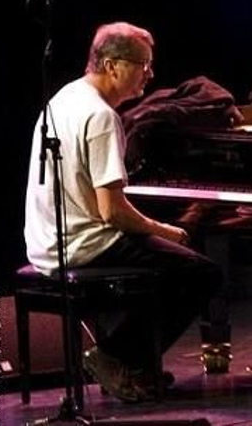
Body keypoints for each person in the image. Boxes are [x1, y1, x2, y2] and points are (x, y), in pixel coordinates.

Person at [24, 22, 223, 402]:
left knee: (173, 265)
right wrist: (164, 230)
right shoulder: (101, 116)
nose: (150, 75)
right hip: (82, 243)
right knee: (202, 274)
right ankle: (115, 357)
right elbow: (111, 213)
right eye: (143, 65)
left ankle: (137, 368)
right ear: (113, 65)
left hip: (45, 239)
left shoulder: (64, 98)